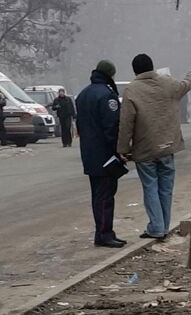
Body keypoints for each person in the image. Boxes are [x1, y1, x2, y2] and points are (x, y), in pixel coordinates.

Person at [117, 54, 191, 240]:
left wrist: (123, 148)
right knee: (166, 188)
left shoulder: (132, 90)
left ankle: (156, 227)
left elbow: (126, 123)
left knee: (150, 187)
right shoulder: (168, 83)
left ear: (135, 71)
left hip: (145, 149)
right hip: (167, 147)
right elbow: (186, 84)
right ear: (152, 67)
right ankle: (163, 225)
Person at [76, 60, 126, 249]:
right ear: (110, 74)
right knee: (105, 196)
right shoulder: (107, 96)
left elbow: (80, 125)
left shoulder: (83, 94)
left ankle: (102, 232)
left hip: (89, 153)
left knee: (97, 195)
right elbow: (111, 128)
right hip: (105, 155)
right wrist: (120, 151)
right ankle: (105, 234)